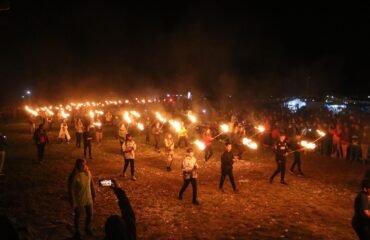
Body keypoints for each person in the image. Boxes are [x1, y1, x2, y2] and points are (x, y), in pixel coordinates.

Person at [68, 159, 96, 239]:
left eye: (84, 164)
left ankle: (87, 228)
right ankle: (77, 232)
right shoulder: (74, 176)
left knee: (90, 214)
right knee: (78, 216)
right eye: (81, 165)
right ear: (77, 165)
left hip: (88, 197)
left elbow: (91, 184)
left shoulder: (87, 173)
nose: (83, 166)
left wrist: (94, 194)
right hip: (79, 199)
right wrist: (72, 200)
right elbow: (71, 189)